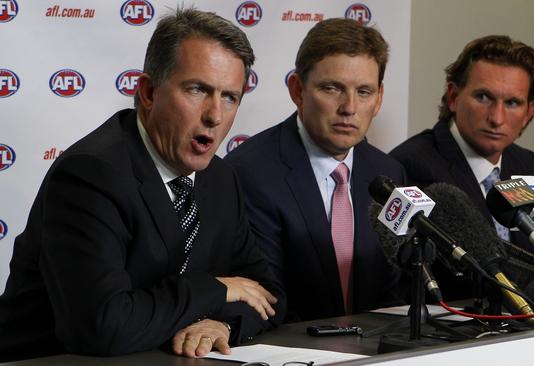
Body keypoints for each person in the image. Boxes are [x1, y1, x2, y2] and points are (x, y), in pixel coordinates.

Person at [0, 8, 284, 362]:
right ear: (148, 92)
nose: (215, 115)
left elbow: (267, 295)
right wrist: (213, 290)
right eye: (198, 89)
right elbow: (102, 326)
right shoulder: (91, 175)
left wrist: (221, 325)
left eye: (230, 97)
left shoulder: (221, 179)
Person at [225, 18, 405, 322]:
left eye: (364, 92)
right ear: (298, 90)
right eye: (332, 88)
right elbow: (265, 299)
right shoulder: (250, 173)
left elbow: (393, 286)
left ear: (379, 99)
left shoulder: (388, 173)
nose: (349, 107)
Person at [390, 35, 534, 300]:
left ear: (530, 112)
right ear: (453, 96)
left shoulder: (527, 165)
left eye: (512, 103)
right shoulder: (411, 164)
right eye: (483, 97)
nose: (496, 118)